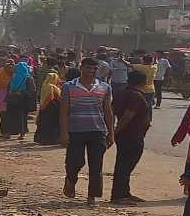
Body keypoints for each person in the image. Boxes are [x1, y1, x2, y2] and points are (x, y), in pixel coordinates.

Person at [60, 57, 115, 206]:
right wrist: (64, 133)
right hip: (75, 130)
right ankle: (70, 180)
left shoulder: (104, 87)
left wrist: (111, 132)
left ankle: (92, 196)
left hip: (97, 131)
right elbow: (64, 111)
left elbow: (108, 111)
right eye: (88, 68)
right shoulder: (68, 87)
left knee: (96, 164)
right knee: (74, 161)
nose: (91, 71)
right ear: (81, 68)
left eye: (94, 69)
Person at [111, 70, 151, 205]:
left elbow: (112, 112)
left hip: (126, 134)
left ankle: (124, 193)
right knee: (125, 165)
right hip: (131, 134)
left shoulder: (120, 93)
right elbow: (128, 115)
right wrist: (115, 131)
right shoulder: (136, 96)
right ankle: (118, 196)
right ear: (143, 82)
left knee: (124, 164)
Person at [1, 60, 35, 140]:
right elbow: (32, 90)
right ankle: (11, 133)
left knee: (19, 117)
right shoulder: (26, 77)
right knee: (12, 117)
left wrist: (19, 93)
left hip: (21, 100)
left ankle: (20, 134)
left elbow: (31, 90)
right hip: (15, 99)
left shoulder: (25, 78)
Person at [33, 57, 63, 145]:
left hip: (44, 106)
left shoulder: (44, 84)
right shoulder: (52, 86)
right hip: (51, 107)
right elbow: (52, 97)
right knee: (51, 125)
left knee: (44, 125)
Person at [132, 55, 157, 121]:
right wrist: (155, 57)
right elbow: (156, 63)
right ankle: (149, 120)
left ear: (144, 60)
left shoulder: (142, 67)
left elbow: (129, 65)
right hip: (151, 90)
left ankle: (140, 119)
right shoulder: (154, 67)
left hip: (142, 90)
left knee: (139, 106)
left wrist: (122, 59)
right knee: (149, 106)